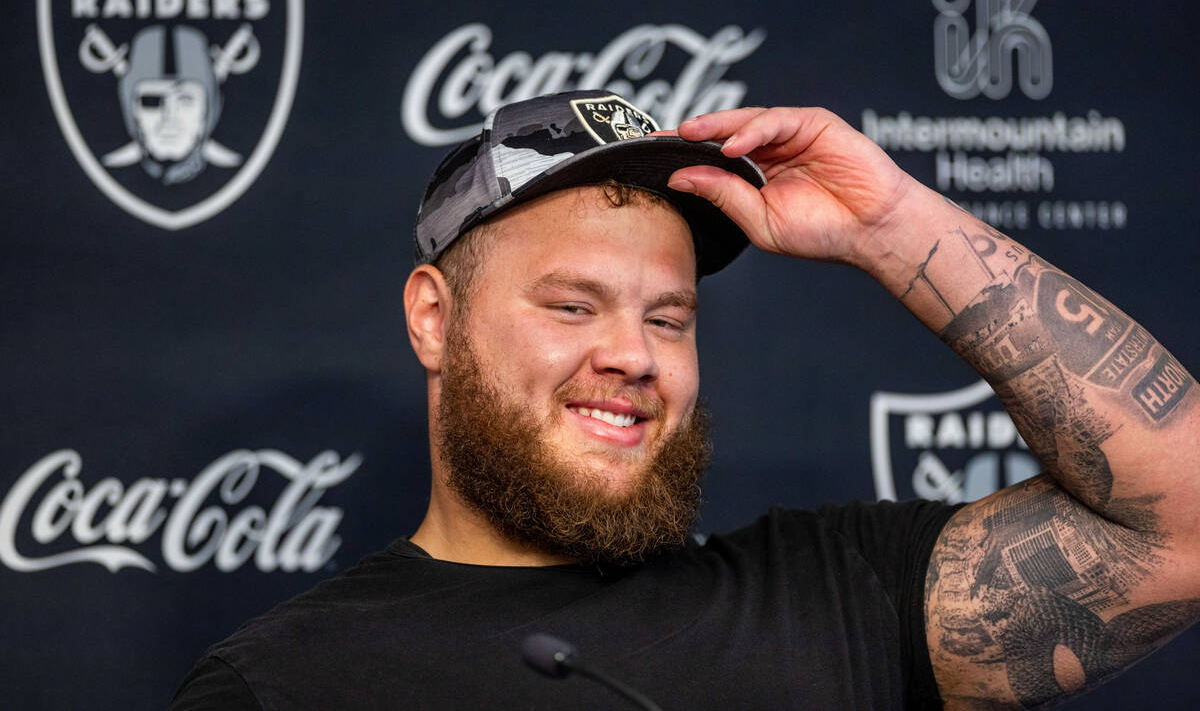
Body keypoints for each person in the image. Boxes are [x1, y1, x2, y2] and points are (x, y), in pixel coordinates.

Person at [171, 91, 1199, 709]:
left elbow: (1182, 524)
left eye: (669, 317)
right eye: (574, 303)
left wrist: (891, 225)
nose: (633, 354)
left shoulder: (837, 596)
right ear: (435, 317)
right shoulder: (288, 681)